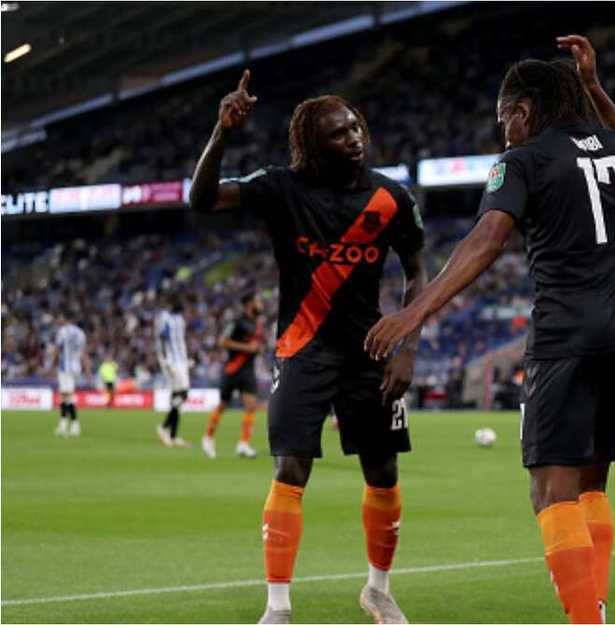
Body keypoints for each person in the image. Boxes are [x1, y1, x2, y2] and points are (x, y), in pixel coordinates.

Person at [366, 35, 615, 624]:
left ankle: (586, 619)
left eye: (504, 121)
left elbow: (487, 239)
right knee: (593, 484)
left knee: (551, 491)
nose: (502, 133)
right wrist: (594, 85)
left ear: (523, 112)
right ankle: (593, 604)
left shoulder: (522, 160)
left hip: (565, 338)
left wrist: (411, 313)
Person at [190, 69, 427, 625]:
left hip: (371, 351)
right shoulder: (282, 188)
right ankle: (278, 606)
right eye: (341, 133)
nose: (355, 137)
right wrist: (221, 133)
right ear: (314, 144)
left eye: (356, 127)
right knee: (291, 467)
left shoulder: (391, 196)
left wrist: (407, 344)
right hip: (303, 348)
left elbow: (417, 272)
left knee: (383, 471)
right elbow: (201, 199)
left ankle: (378, 590)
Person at [202, 291, 265, 460]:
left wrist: (258, 349)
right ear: (249, 304)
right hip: (233, 369)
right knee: (223, 405)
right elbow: (222, 341)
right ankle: (208, 437)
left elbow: (255, 345)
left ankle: (243, 444)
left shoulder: (257, 323)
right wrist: (247, 348)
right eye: (258, 300)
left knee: (251, 405)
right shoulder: (237, 322)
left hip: (248, 369)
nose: (261, 304)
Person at [155, 293, 192, 447]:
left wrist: (187, 358)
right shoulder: (164, 317)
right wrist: (165, 360)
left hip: (180, 360)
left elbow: (181, 340)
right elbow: (162, 339)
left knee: (178, 397)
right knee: (182, 393)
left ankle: (172, 434)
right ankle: (163, 428)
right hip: (171, 360)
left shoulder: (179, 319)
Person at [52, 311, 88, 437]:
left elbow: (57, 349)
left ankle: (73, 424)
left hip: (65, 367)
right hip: (76, 367)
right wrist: (87, 370)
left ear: (65, 318)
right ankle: (64, 424)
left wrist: (52, 364)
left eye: (59, 317)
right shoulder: (81, 333)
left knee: (67, 396)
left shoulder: (62, 331)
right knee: (65, 395)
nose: (58, 320)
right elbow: (84, 353)